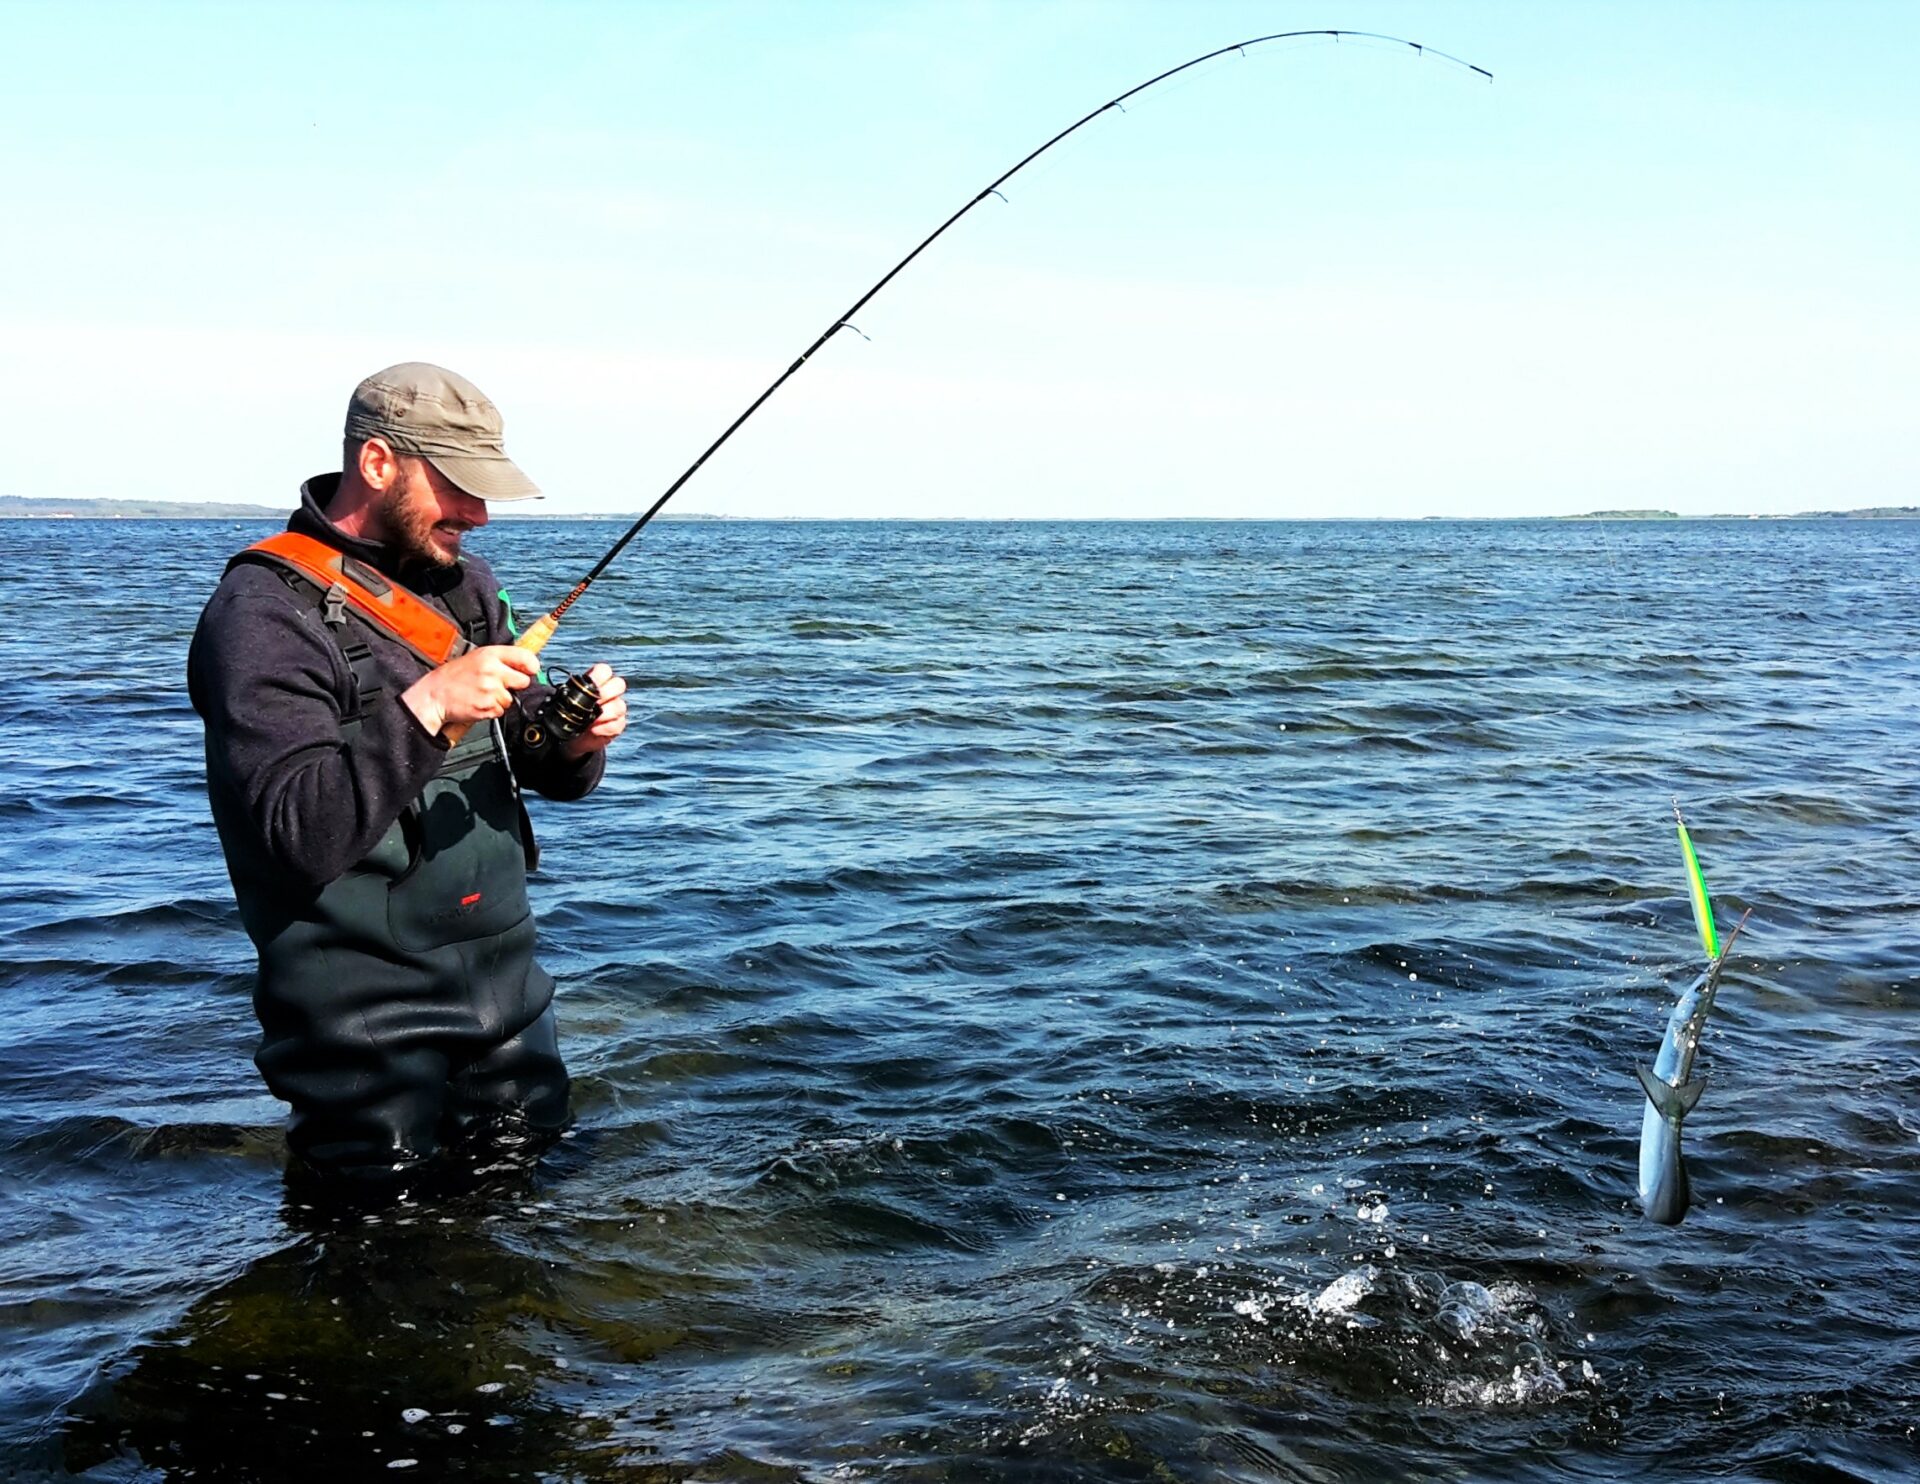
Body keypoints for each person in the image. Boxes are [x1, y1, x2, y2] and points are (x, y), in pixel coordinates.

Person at [188, 362, 626, 1186]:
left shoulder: (465, 587)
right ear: (379, 463)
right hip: (361, 1027)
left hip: (509, 994)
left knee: (536, 1217)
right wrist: (427, 707)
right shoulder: (261, 612)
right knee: (375, 1258)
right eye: (459, 486)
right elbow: (295, 831)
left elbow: (524, 756)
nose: (481, 513)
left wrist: (573, 744)